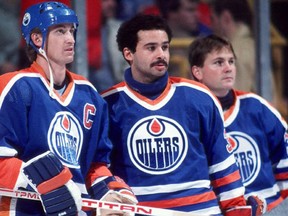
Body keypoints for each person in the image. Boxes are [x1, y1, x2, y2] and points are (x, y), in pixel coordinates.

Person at [101, 14, 263, 215]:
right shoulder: (108, 104)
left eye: (165, 47)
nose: (161, 54)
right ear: (128, 54)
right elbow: (100, 167)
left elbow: (221, 161)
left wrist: (236, 207)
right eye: (151, 48)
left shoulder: (199, 96)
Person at [0, 2, 137, 215]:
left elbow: (93, 166)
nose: (71, 39)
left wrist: (109, 192)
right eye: (60, 31)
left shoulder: (89, 95)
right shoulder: (16, 87)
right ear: (37, 40)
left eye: (72, 31)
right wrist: (46, 180)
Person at [188, 34, 288, 215]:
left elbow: (285, 160)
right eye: (218, 62)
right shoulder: (187, 116)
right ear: (197, 72)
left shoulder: (257, 107)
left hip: (269, 209)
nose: (228, 68)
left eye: (231, 61)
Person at [209, 0, 256, 93]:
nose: (211, 26)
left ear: (226, 18)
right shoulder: (257, 47)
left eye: (212, 19)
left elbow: (234, 98)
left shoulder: (230, 54)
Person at [89, 0, 128, 93]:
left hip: (117, 93)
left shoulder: (121, 29)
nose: (111, 4)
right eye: (105, 1)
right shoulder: (78, 33)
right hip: (89, 94)